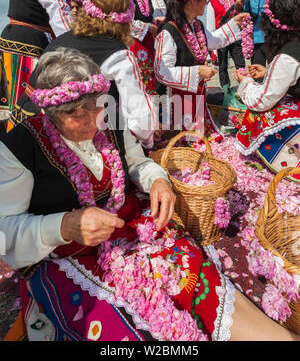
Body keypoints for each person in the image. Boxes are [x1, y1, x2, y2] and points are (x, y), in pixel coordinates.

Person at [0, 48, 299, 342]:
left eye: (96, 107)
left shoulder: (108, 115)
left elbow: (137, 162)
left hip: (130, 225)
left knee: (193, 275)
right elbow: (5, 230)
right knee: (128, 328)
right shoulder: (20, 148)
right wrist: (63, 225)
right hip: (65, 253)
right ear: (50, 115)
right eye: (76, 116)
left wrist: (157, 180)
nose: (93, 120)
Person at [12, 0, 157, 148]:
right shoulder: (119, 54)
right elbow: (141, 119)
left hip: (23, 124)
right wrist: (146, 146)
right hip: (61, 141)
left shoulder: (60, 40)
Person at [0, 0, 81, 129]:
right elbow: (65, 28)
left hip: (8, 41)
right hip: (29, 47)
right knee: (26, 102)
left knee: (7, 98)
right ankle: (20, 140)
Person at [154, 0, 247, 139]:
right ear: (192, 2)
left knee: (198, 138)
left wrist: (235, 23)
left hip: (196, 98)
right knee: (183, 140)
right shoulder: (168, 31)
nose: (206, 3)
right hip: (176, 102)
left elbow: (214, 40)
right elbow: (162, 72)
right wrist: (198, 71)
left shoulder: (197, 25)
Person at [234, 0, 300, 181]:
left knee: (259, 112)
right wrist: (268, 73)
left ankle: (288, 159)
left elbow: (261, 101)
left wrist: (245, 82)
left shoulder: (286, 58)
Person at [123, 0, 157, 95]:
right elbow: (122, 20)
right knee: (134, 83)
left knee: (149, 81)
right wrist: (147, 26)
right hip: (131, 43)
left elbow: (149, 16)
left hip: (148, 45)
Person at [206, 0, 245, 88]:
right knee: (222, 67)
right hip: (221, 39)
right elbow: (210, 27)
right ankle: (226, 92)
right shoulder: (212, 3)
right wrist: (213, 51)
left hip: (236, 38)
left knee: (241, 64)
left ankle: (245, 88)